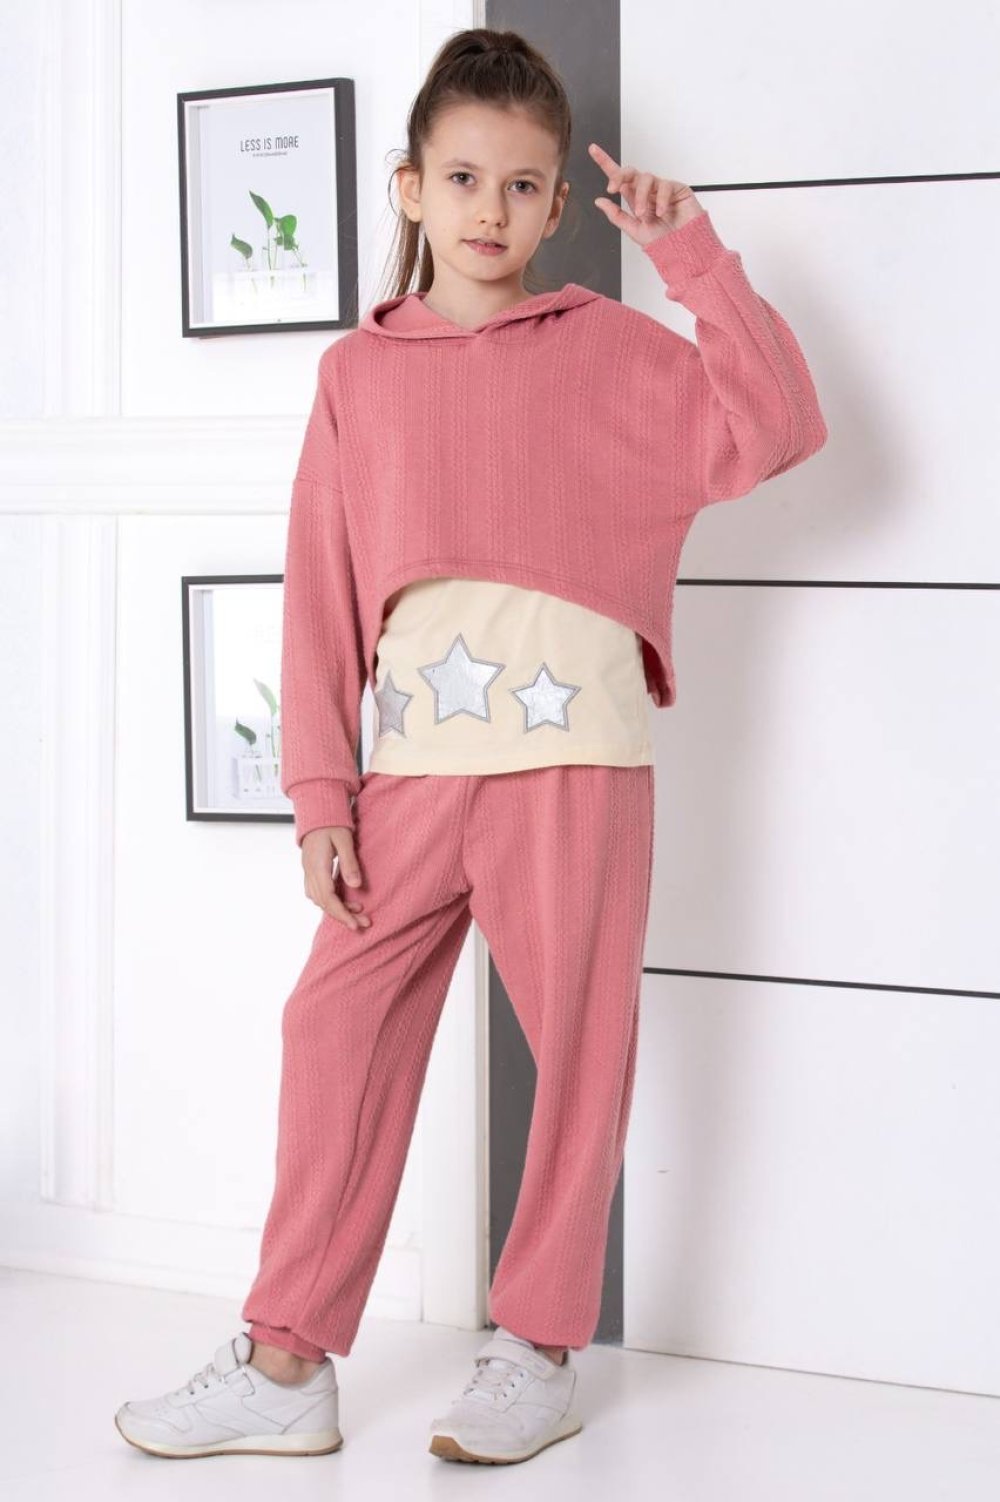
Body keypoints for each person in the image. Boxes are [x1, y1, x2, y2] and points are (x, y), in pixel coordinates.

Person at [114, 25, 827, 1468]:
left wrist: (692, 261)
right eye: (461, 177)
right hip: (415, 771)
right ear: (410, 188)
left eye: (520, 185)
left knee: (579, 1052)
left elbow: (780, 426)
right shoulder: (358, 375)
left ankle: (536, 1347)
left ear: (556, 205)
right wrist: (320, 794)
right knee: (334, 1029)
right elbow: (320, 592)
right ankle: (285, 1360)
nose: (489, 209)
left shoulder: (615, 350)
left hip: (575, 766)